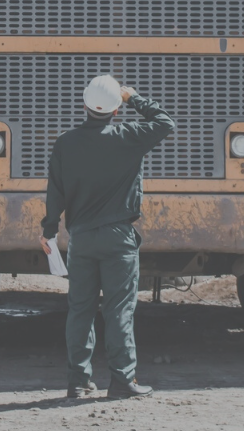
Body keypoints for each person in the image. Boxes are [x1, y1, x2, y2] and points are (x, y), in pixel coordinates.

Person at [40, 75, 175, 399]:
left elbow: (55, 193)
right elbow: (165, 123)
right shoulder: (128, 136)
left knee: (80, 310)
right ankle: (122, 381)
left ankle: (78, 382)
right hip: (118, 238)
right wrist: (135, 97)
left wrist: (47, 231)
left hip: (82, 239)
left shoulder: (66, 143)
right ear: (116, 111)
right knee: (118, 311)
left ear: (85, 105)